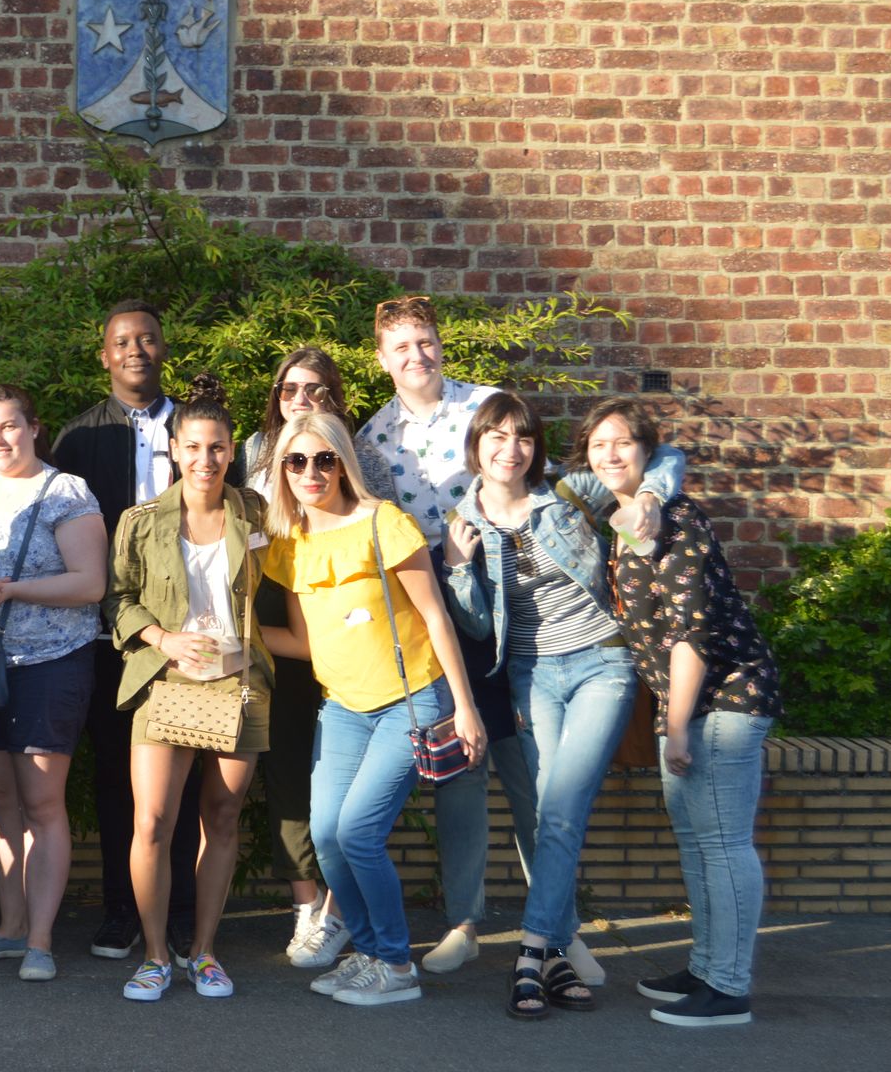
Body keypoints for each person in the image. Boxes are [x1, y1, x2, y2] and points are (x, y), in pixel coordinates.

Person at [355, 295, 610, 980]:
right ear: (382, 359)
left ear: (441, 344)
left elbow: (543, 490)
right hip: (439, 608)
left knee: (531, 777)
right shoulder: (371, 438)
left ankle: (558, 930)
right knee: (460, 776)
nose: (417, 355)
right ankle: (463, 923)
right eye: (402, 346)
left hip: (517, 611)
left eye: (426, 341)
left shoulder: (488, 406)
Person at [443, 391, 684, 1019]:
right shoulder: (461, 523)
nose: (511, 449)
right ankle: (555, 954)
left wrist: (649, 498)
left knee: (561, 809)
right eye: (497, 436)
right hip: (531, 676)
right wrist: (459, 568)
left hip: (602, 664)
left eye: (523, 437)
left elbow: (667, 456)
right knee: (550, 811)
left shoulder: (569, 493)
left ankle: (529, 954)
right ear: (476, 445)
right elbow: (477, 627)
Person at [264, 410, 488, 1008]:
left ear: (344, 464)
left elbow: (436, 616)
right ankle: (366, 953)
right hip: (342, 706)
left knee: (358, 831)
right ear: (283, 470)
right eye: (296, 461)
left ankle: (396, 964)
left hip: (410, 701)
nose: (310, 472)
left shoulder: (383, 522)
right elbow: (305, 642)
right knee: (326, 834)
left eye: (324, 459)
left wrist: (465, 708)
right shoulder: (288, 544)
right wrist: (238, 639)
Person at [579, 399, 782, 1028]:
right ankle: (704, 968)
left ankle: (728, 988)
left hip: (724, 697)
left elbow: (690, 634)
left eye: (623, 443)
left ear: (646, 452)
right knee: (697, 841)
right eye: (598, 445)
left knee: (722, 843)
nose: (610, 455)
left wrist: (674, 728)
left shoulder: (676, 520)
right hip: (686, 703)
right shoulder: (623, 517)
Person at [49, 300, 223, 960]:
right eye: (121, 341)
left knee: (184, 777)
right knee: (117, 779)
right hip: (109, 638)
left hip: (188, 639)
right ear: (104, 355)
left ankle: (179, 913)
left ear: (163, 348)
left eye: (147, 338)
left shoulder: (197, 429)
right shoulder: (77, 439)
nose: (135, 350)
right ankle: (123, 909)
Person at [104, 376, 272, 1002]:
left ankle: (203, 952)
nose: (206, 459)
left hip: (238, 682)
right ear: (174, 449)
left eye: (218, 447)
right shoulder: (140, 521)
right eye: (194, 447)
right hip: (166, 680)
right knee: (151, 821)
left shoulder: (257, 514)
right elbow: (117, 600)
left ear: (232, 449)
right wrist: (162, 638)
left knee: (221, 818)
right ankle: (154, 957)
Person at [0, 385, 106, 984]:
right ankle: (9, 927)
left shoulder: (65, 492)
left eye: (9, 426)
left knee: (41, 802)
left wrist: (9, 590)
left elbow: (89, 583)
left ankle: (40, 940)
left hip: (51, 663)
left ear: (33, 429)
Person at [240, 346, 393, 971]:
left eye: (316, 389)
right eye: (288, 389)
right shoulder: (255, 450)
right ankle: (308, 905)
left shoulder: (359, 454)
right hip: (275, 611)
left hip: (342, 622)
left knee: (335, 769)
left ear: (336, 396)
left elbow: (379, 541)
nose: (300, 399)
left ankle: (338, 909)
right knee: (283, 761)